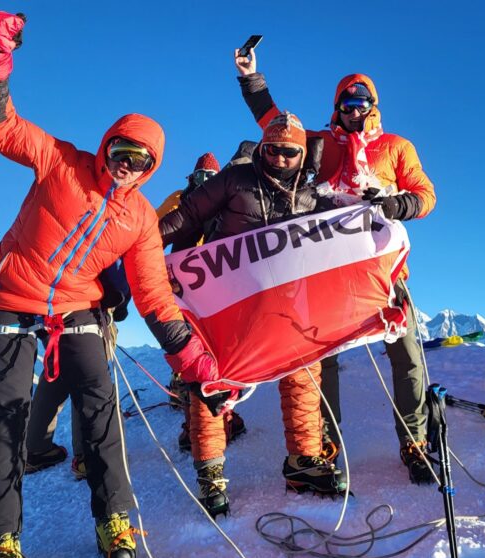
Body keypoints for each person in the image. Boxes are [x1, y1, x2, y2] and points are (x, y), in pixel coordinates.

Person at [0, 12, 218, 558]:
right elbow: (1, 126)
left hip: (75, 307)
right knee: (8, 415)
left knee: (100, 406)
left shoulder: (141, 220)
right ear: (107, 145)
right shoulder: (61, 162)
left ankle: (117, 524)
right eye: (122, 152)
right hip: (7, 296)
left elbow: (155, 295)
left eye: (142, 161)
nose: (128, 167)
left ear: (154, 168)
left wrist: (195, 363)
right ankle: (1, 541)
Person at [234, 48, 437, 485]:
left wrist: (399, 202)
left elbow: (425, 194)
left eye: (361, 103)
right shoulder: (319, 144)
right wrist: (252, 79)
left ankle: (415, 441)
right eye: (346, 103)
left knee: (407, 359)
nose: (354, 110)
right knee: (322, 359)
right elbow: (274, 125)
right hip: (327, 274)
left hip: (383, 273)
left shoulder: (396, 147)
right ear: (336, 107)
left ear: (373, 106)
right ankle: (325, 442)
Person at [160, 112, 347, 517]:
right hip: (228, 304)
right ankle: (210, 473)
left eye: (289, 152)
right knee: (212, 379)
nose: (280, 159)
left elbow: (347, 234)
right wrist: (139, 245)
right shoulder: (235, 180)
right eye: (273, 150)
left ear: (302, 153)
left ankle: (304, 461)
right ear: (263, 149)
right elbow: (186, 218)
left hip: (286, 305)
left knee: (303, 375)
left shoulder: (312, 197)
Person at [154, 152, 247, 452]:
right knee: (195, 349)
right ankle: (197, 424)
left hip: (211, 283)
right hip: (187, 284)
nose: (205, 183)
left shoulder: (222, 201)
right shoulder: (181, 199)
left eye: (211, 178)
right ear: (192, 178)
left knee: (209, 353)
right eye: (201, 177)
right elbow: (155, 229)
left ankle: (211, 417)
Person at [25, 262, 131, 479]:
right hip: (86, 314)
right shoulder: (95, 230)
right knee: (88, 377)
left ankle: (35, 448)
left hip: (48, 314)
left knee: (57, 369)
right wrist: (120, 302)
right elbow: (116, 277)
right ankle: (87, 456)